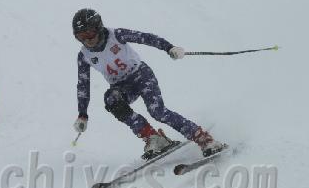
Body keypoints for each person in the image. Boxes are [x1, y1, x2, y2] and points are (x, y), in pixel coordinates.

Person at [72, 8, 224, 158]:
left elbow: (146, 38)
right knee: (111, 99)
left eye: (89, 33)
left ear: (98, 27)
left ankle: (203, 138)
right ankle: (153, 137)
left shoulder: (116, 35)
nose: (87, 40)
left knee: (157, 111)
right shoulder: (84, 56)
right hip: (121, 87)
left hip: (141, 75)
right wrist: (82, 114)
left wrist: (169, 47)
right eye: (81, 36)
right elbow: (83, 85)